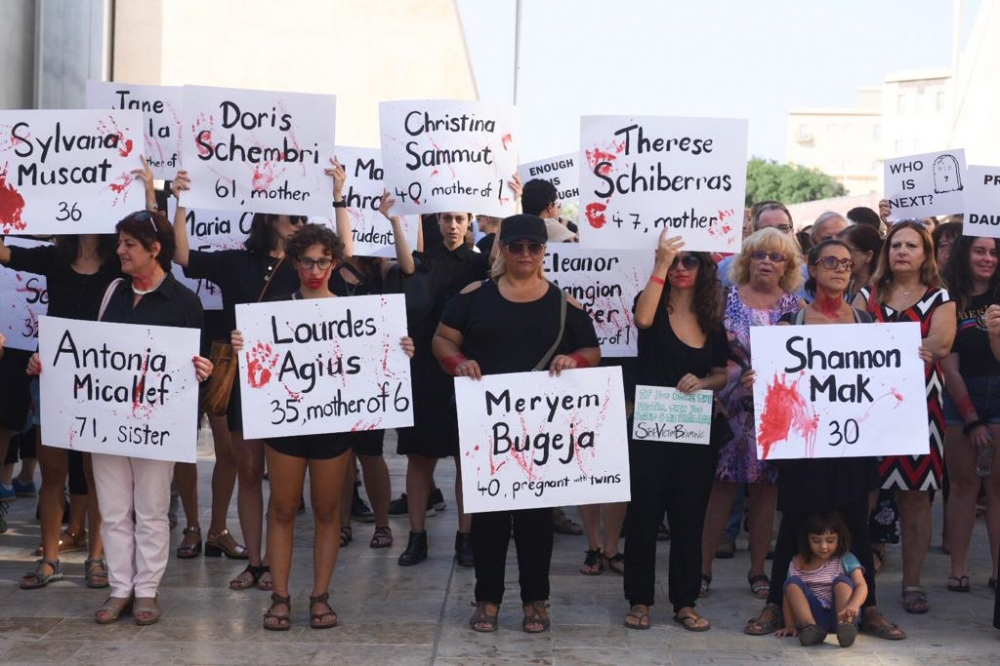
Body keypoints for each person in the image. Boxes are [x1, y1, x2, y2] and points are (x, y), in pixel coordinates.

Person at [172, 160, 353, 590]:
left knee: (284, 481)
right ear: (270, 217)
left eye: (304, 218)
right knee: (249, 470)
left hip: (292, 387)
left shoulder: (306, 266)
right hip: (245, 382)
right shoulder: (237, 262)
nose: (299, 222)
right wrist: (180, 202)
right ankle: (256, 562)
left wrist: (339, 196)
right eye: (293, 216)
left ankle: (276, 558)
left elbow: (340, 251)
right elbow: (182, 256)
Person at [30, 210, 214, 625]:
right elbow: (88, 350)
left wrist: (203, 372)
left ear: (155, 249)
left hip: (155, 428)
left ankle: (147, 591)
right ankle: (120, 589)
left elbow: (193, 369)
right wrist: (51, 364)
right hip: (108, 421)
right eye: (120, 243)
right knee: (112, 508)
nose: (120, 251)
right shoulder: (111, 291)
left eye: (129, 244)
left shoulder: (186, 303)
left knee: (150, 509)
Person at [232, 223, 414, 630]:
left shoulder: (356, 311)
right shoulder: (273, 313)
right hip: (287, 424)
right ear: (295, 263)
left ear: (334, 262)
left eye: (323, 261)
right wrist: (245, 347)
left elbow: (377, 359)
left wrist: (401, 349)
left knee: (328, 509)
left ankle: (319, 596)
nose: (315, 269)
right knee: (281, 508)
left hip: (334, 424)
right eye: (307, 261)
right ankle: (280, 597)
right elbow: (261, 367)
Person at [432, 214, 600, 633]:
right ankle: (486, 599)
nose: (525, 254)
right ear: (501, 249)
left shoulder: (565, 303)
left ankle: (535, 601)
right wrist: (459, 362)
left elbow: (592, 350)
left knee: (536, 521)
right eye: (516, 246)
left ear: (545, 252)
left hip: (541, 433)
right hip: (486, 426)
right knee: (487, 518)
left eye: (534, 247)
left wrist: (573, 360)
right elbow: (441, 339)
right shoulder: (474, 296)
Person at [745, 239, 903, 641]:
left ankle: (867, 609)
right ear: (812, 269)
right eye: (829, 262)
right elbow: (777, 391)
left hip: (852, 445)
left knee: (857, 527)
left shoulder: (869, 325)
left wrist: (905, 363)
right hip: (804, 447)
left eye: (847, 263)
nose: (839, 269)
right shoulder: (791, 326)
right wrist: (759, 381)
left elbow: (884, 380)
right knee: (795, 522)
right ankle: (775, 605)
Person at [396, 176, 520, 568]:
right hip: (423, 371)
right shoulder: (423, 260)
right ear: (437, 222)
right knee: (420, 458)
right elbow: (405, 263)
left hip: (469, 372)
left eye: (460, 219)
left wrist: (511, 203)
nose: (452, 225)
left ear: (470, 223)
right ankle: (417, 536)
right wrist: (394, 217)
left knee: (467, 458)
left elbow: (506, 255)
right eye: (447, 218)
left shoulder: (482, 263)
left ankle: (466, 537)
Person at [1, 228, 126, 591]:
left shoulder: (120, 259)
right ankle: (50, 557)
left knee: (97, 470)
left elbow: (161, 254)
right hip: (55, 374)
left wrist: (149, 194)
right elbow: (6, 254)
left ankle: (97, 557)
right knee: (53, 470)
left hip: (104, 377)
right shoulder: (54, 256)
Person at [622, 232, 726, 631]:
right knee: (645, 515)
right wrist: (660, 264)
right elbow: (643, 320)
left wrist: (703, 383)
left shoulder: (711, 316)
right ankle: (639, 600)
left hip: (695, 432)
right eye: (675, 261)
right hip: (650, 428)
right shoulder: (651, 300)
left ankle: (685, 601)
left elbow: (720, 372)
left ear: (704, 268)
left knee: (689, 517)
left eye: (691, 261)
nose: (682, 268)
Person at [853, 220, 956, 615]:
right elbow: (849, 340)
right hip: (867, 409)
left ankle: (912, 582)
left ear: (925, 253)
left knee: (916, 499)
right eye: (896, 244)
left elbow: (941, 343)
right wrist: (906, 346)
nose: (902, 251)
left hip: (920, 410)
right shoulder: (866, 293)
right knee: (861, 493)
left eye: (911, 245)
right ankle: (857, 576)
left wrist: (881, 345)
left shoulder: (940, 297)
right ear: (886, 251)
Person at [700, 228, 804, 600]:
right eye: (759, 254)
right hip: (728, 409)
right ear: (746, 259)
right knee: (721, 489)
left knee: (766, 492)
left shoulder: (795, 308)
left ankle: (759, 570)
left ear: (788, 266)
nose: (766, 262)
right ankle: (703, 568)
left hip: (774, 414)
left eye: (776, 257)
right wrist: (730, 376)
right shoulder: (723, 299)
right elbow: (708, 353)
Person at [333, 192, 415, 550]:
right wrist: (339, 198)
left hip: (372, 377)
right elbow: (344, 248)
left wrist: (395, 219)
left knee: (370, 453)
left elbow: (411, 264)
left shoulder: (389, 273)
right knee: (338, 455)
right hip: (332, 374)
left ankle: (382, 524)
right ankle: (341, 523)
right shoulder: (332, 272)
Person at [941, 235, 1000, 592]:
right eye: (980, 250)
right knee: (963, 486)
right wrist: (972, 418)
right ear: (966, 253)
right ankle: (958, 569)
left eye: (995, 252)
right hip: (961, 396)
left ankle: (997, 572)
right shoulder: (950, 298)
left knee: (997, 488)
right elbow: (950, 368)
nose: (988, 258)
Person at [773, 513, 868, 648]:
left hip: (843, 613)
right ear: (807, 540)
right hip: (815, 617)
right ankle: (811, 629)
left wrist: (853, 605)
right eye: (816, 541)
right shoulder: (797, 562)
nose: (823, 546)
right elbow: (788, 596)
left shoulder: (845, 558)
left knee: (842, 582)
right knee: (791, 584)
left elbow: (861, 585)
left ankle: (846, 627)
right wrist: (790, 625)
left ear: (839, 538)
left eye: (830, 540)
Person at [837, 224, 882, 303]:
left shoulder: (881, 292)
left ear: (868, 255)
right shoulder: (845, 288)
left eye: (847, 251)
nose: (840, 257)